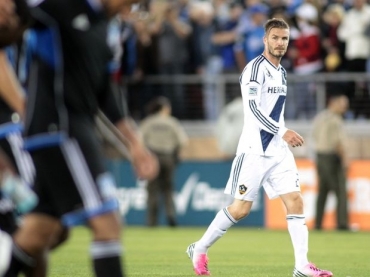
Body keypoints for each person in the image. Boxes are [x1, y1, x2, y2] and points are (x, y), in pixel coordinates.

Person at [1, 1, 159, 277]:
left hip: (74, 128)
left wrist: (135, 144)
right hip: (59, 128)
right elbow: (21, 12)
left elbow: (108, 95)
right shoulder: (62, 7)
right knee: (107, 224)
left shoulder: (110, 31)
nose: (131, 6)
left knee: (41, 232)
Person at [186, 18, 333, 277]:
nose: (280, 43)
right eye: (275, 37)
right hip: (254, 151)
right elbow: (253, 111)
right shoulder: (254, 69)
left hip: (279, 152)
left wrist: (281, 135)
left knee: (296, 201)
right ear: (265, 39)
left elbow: (275, 112)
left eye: (285, 38)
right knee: (241, 209)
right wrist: (283, 131)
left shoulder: (282, 72)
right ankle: (199, 248)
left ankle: (301, 266)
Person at [139, 96, 188, 227]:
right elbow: (182, 141)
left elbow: (140, 141)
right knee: (168, 189)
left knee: (152, 190)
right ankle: (171, 215)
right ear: (164, 108)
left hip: (152, 157)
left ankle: (152, 221)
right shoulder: (172, 122)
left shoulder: (148, 122)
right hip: (168, 157)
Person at [312, 94, 349, 231]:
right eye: (342, 104)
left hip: (320, 157)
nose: (345, 108)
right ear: (334, 103)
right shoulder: (336, 120)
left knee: (322, 191)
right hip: (332, 158)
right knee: (340, 191)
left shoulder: (320, 117)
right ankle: (342, 224)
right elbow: (338, 143)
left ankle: (318, 223)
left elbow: (314, 136)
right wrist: (345, 160)